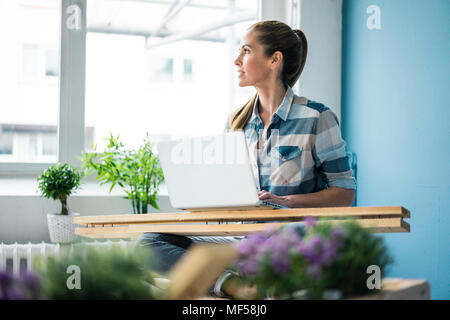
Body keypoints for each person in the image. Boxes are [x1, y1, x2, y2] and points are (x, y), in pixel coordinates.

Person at [136, 20, 356, 296]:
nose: (237, 60)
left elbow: (345, 192)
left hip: (287, 236)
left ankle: (250, 274)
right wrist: (204, 202)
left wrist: (289, 201)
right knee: (148, 242)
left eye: (246, 51)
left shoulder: (317, 117)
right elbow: (227, 189)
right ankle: (233, 284)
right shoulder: (236, 123)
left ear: (274, 60)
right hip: (239, 238)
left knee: (298, 240)